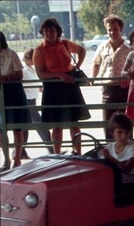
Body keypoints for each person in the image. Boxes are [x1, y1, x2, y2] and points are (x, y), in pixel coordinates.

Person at [33, 17, 90, 155]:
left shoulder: (64, 43)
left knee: (74, 123)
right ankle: (57, 154)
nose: (49, 33)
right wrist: (59, 75)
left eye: (51, 30)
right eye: (46, 30)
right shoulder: (39, 50)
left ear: (57, 31)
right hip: (53, 88)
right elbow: (41, 74)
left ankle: (78, 153)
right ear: (42, 32)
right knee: (56, 126)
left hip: (69, 85)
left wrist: (77, 67)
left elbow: (82, 50)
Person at [91, 14, 134, 141]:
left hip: (124, 88)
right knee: (108, 121)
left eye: (115, 29)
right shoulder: (102, 47)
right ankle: (110, 148)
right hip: (108, 88)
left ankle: (126, 149)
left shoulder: (129, 48)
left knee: (125, 121)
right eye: (109, 29)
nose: (112, 32)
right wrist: (93, 77)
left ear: (120, 29)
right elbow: (96, 63)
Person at [1, 30, 30, 168]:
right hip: (1, 94)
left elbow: (19, 75)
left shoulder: (11, 54)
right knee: (1, 130)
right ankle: (6, 158)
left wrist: (4, 79)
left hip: (13, 92)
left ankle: (17, 159)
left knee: (17, 128)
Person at [99, 112, 134, 201]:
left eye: (126, 132)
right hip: (113, 183)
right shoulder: (109, 148)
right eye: (119, 132)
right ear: (112, 133)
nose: (123, 136)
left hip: (130, 185)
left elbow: (127, 169)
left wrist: (111, 159)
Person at [22, 48, 53, 155]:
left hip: (32, 100)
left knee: (24, 128)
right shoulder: (24, 70)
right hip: (28, 102)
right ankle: (51, 149)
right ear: (28, 58)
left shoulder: (30, 69)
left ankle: (20, 151)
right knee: (41, 126)